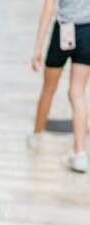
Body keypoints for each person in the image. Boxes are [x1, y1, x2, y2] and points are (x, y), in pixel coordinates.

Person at [29, 0, 90, 172]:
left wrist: (38, 48)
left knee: (49, 88)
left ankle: (36, 135)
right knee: (78, 94)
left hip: (64, 29)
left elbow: (48, 9)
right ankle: (80, 153)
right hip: (87, 31)